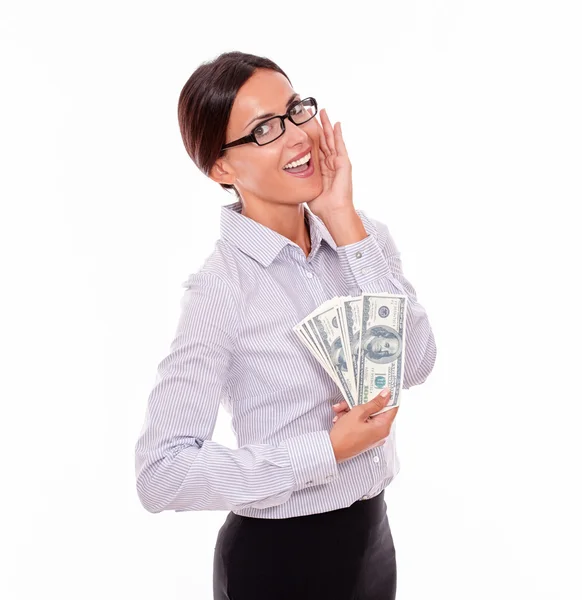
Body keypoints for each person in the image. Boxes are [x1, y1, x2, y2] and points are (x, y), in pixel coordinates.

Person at [134, 50, 437, 600]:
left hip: (372, 542)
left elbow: (414, 364)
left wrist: (343, 221)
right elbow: (162, 473)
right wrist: (326, 450)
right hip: (277, 564)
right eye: (265, 129)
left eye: (296, 110)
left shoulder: (359, 236)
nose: (297, 135)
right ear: (221, 168)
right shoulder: (220, 290)